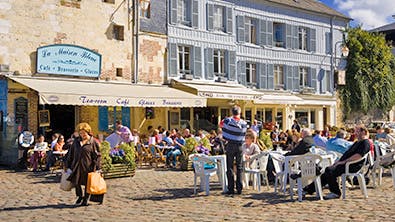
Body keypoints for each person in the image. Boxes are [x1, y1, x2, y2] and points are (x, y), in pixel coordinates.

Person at [304, 125, 371, 199]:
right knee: (327, 171)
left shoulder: (365, 143)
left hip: (352, 165)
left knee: (330, 171)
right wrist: (339, 162)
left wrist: (343, 162)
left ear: (363, 132)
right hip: (345, 163)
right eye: (356, 131)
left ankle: (336, 192)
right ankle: (309, 189)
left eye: (357, 131)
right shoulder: (357, 142)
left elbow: (358, 156)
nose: (355, 133)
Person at [66, 123, 101, 206]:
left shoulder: (93, 142)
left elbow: (98, 155)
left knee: (87, 183)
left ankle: (86, 198)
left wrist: (98, 167)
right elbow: (71, 153)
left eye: (84, 133)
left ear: (88, 132)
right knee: (76, 182)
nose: (82, 135)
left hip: (88, 166)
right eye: (80, 133)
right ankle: (80, 196)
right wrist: (68, 165)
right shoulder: (76, 141)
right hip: (76, 165)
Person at [222, 105, 247, 195]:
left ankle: (231, 188)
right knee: (239, 167)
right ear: (240, 113)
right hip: (240, 145)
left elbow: (221, 125)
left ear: (232, 112)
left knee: (230, 167)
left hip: (231, 144)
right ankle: (239, 188)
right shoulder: (244, 123)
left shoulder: (228, 121)